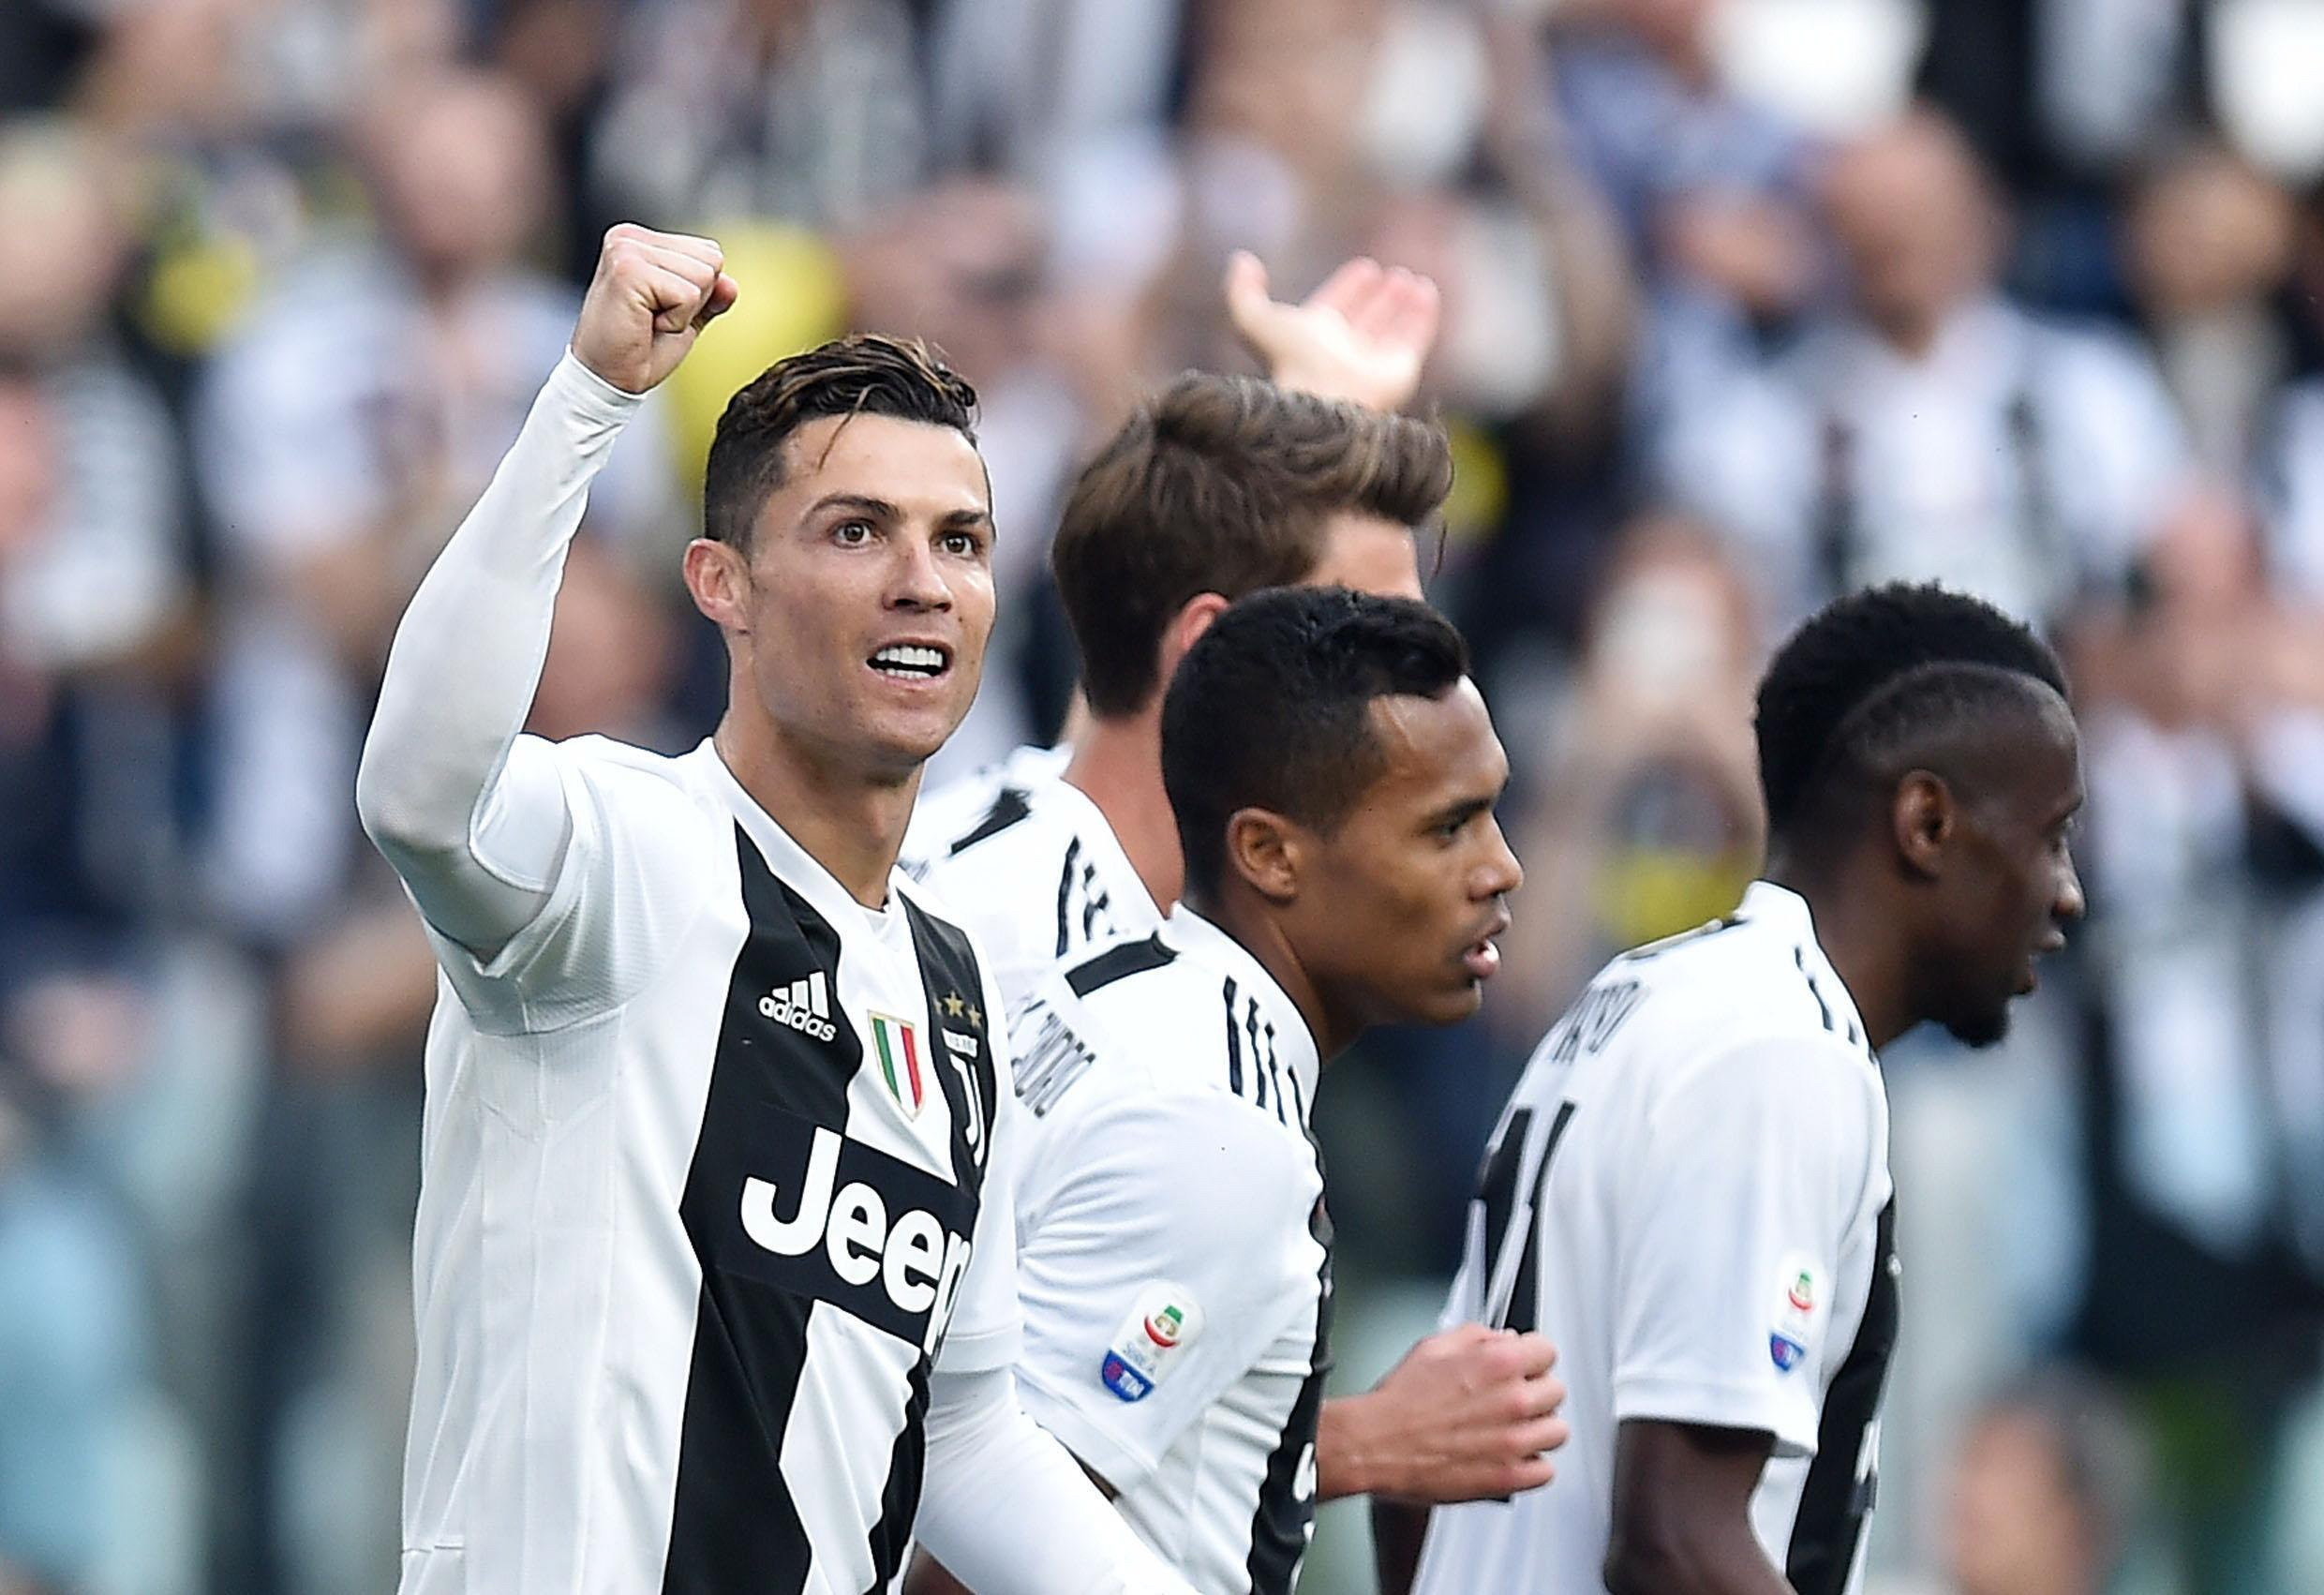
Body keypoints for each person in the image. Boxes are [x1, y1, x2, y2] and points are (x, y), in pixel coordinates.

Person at [355, 223, 1192, 1594]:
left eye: (961, 539)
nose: (923, 578)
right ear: (721, 588)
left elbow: (967, 1432)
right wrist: (586, 401)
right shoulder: (623, 850)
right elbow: (419, 794)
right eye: (856, 530)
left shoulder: (957, 988)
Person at [904, 265, 1569, 1528]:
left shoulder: (1131, 893)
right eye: (1366, 633)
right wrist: (1358, 1439)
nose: (1424, 685)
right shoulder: (974, 947)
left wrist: (1318, 409)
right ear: (1212, 649)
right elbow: (907, 1451)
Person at [1388, 582, 2088, 1595]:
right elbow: (1673, 1543)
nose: (2065, 890)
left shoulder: (1632, 997)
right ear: (1926, 822)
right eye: (2050, 834)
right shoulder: (1778, 1052)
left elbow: (1418, 1476)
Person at [982, 587, 1550, 1592]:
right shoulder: (1212, 1129)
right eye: (1446, 828)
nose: (1499, 868)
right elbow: (971, 1545)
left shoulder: (1125, 994)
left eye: (1493, 812)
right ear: (1268, 853)